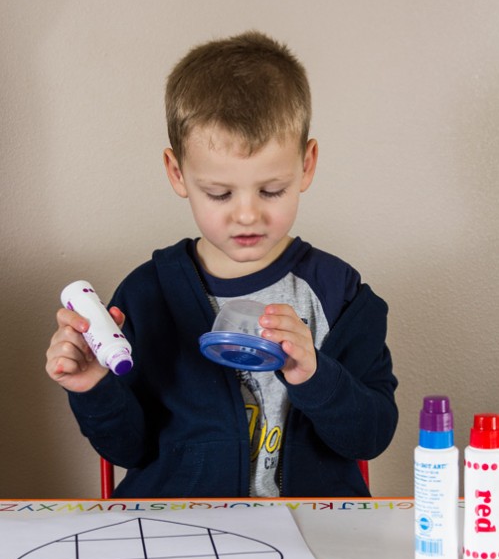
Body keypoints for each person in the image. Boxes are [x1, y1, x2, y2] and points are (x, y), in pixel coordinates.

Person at [46, 31, 398, 498]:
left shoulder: (339, 294)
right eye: (219, 193)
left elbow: (370, 437)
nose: (247, 214)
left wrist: (315, 374)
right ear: (177, 173)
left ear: (307, 164)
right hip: (179, 540)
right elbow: (129, 449)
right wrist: (94, 386)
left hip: (311, 537)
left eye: (271, 189)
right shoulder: (148, 295)